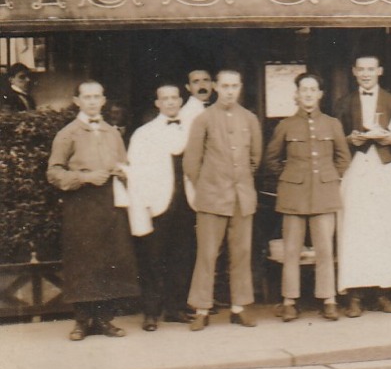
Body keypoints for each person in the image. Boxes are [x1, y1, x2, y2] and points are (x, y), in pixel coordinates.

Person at [47, 81, 139, 340]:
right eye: (86, 97)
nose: (92, 101)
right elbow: (54, 172)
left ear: (103, 100)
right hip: (82, 204)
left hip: (110, 204)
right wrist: (85, 178)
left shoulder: (113, 133)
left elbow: (125, 165)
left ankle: (104, 320)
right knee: (83, 259)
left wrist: (121, 171)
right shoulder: (68, 133)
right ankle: (81, 322)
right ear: (76, 100)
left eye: (97, 96)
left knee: (109, 259)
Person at [265, 73, 350, 323]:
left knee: (325, 248)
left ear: (320, 94)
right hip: (294, 195)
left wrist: (330, 177)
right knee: (291, 250)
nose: (309, 94)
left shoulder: (332, 124)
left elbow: (343, 158)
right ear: (296, 95)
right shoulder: (286, 125)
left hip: (324, 193)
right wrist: (290, 176)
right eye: (304, 90)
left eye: (313, 90)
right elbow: (271, 159)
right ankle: (289, 300)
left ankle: (329, 299)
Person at [183, 69, 263, 330]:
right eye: (225, 86)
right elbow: (191, 162)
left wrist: (239, 181)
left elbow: (255, 158)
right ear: (216, 87)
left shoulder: (250, 119)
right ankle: (202, 309)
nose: (230, 91)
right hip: (212, 198)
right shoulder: (203, 119)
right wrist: (208, 186)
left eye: (234, 86)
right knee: (207, 254)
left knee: (241, 253)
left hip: (242, 198)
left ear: (240, 87)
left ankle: (239, 307)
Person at [333, 55, 391, 316]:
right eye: (361, 69)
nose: (366, 74)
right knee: (355, 230)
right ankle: (354, 295)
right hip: (357, 169)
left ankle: (383, 293)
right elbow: (336, 140)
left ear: (380, 70)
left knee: (386, 229)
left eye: (371, 69)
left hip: (386, 170)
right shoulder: (345, 102)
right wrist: (349, 140)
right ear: (354, 72)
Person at [124, 84, 196, 330]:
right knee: (152, 260)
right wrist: (142, 205)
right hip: (157, 204)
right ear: (157, 103)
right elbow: (135, 173)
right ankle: (151, 313)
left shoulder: (192, 129)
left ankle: (175, 308)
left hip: (187, 203)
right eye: (165, 99)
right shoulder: (144, 134)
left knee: (182, 257)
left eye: (175, 98)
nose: (170, 102)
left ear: (181, 100)